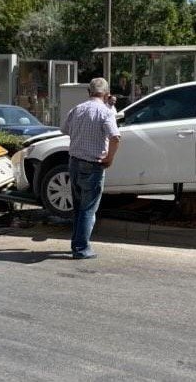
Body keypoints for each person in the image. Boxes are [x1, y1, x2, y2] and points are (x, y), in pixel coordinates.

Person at [60, 77, 121, 260]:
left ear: (89, 92)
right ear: (107, 94)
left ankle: (76, 244)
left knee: (79, 207)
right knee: (88, 209)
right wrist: (109, 159)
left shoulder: (77, 109)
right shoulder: (105, 112)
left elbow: (64, 129)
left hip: (74, 162)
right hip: (93, 165)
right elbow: (115, 137)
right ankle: (81, 248)